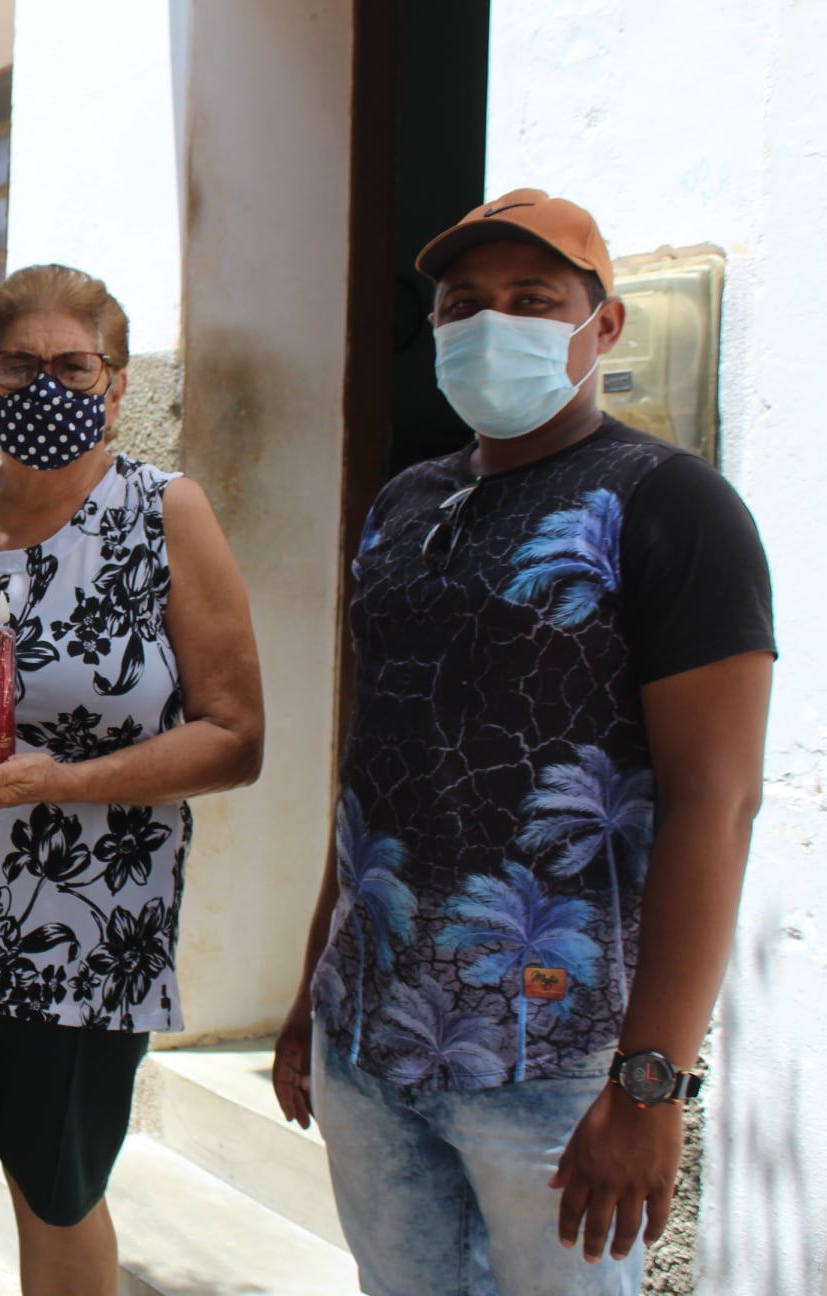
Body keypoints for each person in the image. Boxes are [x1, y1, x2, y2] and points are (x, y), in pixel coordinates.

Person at [271, 190, 775, 1295]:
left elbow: (718, 802)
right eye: (463, 305)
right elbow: (374, 769)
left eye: (532, 299)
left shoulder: (672, 506)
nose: (491, 323)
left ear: (605, 327)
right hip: (369, 1042)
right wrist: (313, 988)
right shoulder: (405, 504)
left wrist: (649, 1086)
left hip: (555, 1069)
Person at [0, 264, 265, 1296]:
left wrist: (60, 781)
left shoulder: (163, 514)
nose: (47, 387)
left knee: (57, 1187)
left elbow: (235, 737)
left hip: (87, 922)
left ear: (116, 387)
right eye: (18, 366)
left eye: (75, 366)